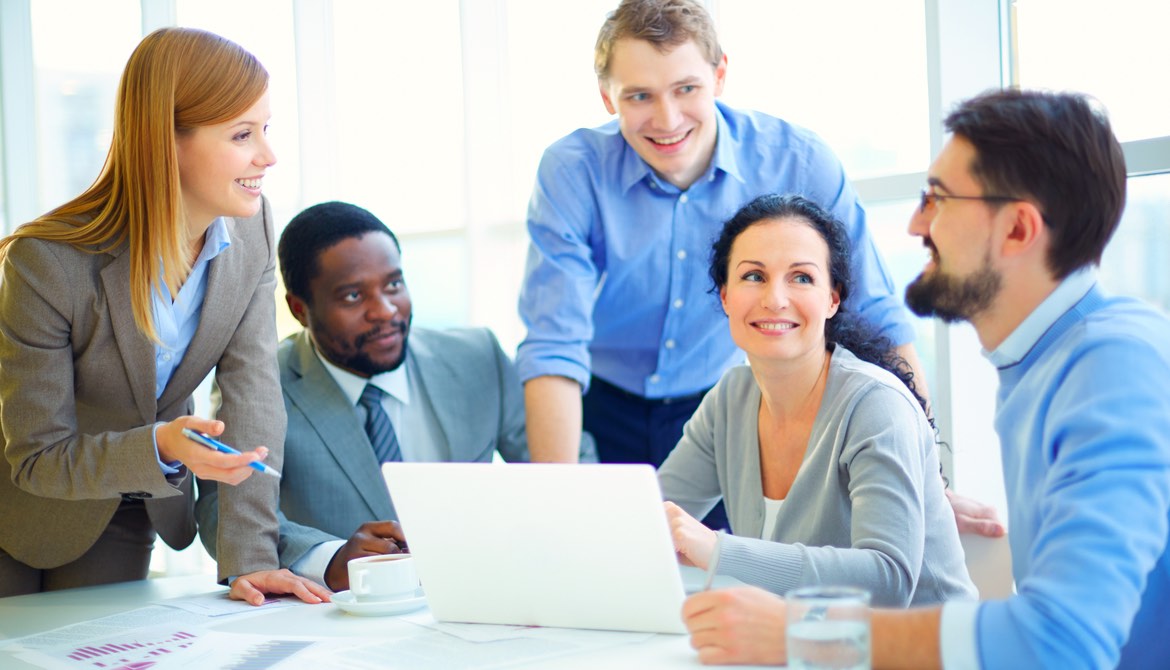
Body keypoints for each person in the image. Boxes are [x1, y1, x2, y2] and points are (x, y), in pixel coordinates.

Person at [680, 90, 1170, 669]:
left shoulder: (1111, 365)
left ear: (1017, 229)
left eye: (936, 199)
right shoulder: (1042, 362)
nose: (916, 223)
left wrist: (799, 630)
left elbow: (1058, 641)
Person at [513, 0, 1009, 534]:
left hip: (724, 407)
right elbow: (554, 345)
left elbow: (876, 318)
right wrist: (552, 512)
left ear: (720, 74)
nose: (667, 119)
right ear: (607, 96)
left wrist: (925, 484)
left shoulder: (797, 161)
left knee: (732, 573)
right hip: (601, 403)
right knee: (597, 560)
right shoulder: (572, 170)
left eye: (686, 89)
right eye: (639, 96)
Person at [0, 28, 327, 605]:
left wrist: (250, 560)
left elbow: (252, 396)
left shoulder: (251, 230)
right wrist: (163, 444)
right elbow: (37, 456)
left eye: (265, 130)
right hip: (18, 510)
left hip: (133, 503)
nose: (268, 156)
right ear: (167, 141)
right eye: (242, 134)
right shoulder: (48, 263)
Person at [197, 201, 590, 591]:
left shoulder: (478, 358)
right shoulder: (263, 385)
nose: (384, 311)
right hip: (343, 618)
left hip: (479, 598)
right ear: (300, 309)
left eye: (393, 285)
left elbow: (572, 467)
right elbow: (221, 509)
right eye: (353, 296)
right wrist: (328, 557)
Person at [658, 194, 975, 607]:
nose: (775, 299)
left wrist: (718, 550)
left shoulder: (875, 405)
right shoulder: (729, 399)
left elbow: (889, 579)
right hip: (804, 648)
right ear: (724, 296)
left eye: (802, 278)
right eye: (753, 276)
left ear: (833, 299)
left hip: (923, 653)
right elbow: (645, 521)